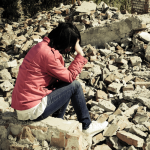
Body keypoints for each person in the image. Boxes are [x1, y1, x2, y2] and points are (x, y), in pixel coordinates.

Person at [11, 22, 108, 136]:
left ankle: (57, 120)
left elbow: (63, 78)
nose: (70, 49)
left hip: (23, 107)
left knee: (64, 83)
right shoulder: (48, 54)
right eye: (71, 45)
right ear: (65, 42)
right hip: (31, 110)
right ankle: (87, 126)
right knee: (74, 86)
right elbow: (70, 77)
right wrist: (80, 54)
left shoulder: (41, 47)